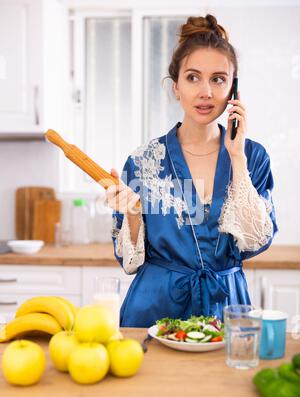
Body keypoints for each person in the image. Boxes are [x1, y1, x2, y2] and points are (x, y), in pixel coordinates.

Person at [105, 14, 278, 327]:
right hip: (155, 310)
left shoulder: (253, 157)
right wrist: (131, 214)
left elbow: (255, 241)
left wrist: (236, 158)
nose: (206, 92)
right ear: (176, 87)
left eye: (218, 79)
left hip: (226, 310)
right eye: (193, 77)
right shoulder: (143, 161)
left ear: (233, 90)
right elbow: (130, 263)